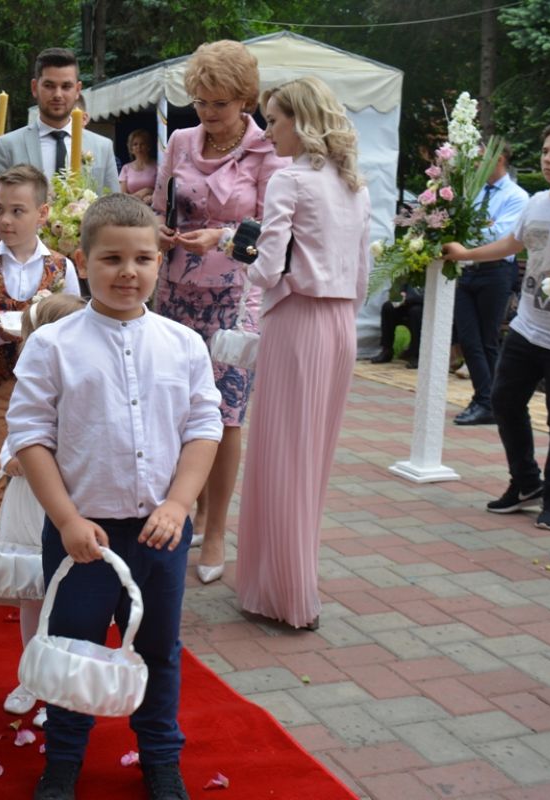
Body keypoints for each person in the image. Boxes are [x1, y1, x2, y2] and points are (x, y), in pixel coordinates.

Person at [8, 194, 222, 800]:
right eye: (111, 259)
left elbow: (204, 427)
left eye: (142, 259)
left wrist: (179, 504)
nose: (128, 272)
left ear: (159, 262)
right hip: (84, 536)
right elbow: (30, 435)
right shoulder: (54, 345)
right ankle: (63, 762)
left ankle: (160, 757)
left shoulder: (184, 344)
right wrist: (66, 518)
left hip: (161, 531)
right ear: (82, 261)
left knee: (158, 648)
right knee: (74, 650)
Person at [234, 76, 372, 632]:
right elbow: (361, 275)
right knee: (311, 459)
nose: (267, 132)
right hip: (341, 327)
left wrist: (238, 252)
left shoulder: (289, 180)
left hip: (298, 324)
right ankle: (292, 584)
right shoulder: (355, 185)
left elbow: (267, 269)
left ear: (302, 120)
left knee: (283, 455)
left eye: (274, 120)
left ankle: (285, 595)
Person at [151, 40, 288, 584]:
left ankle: (214, 532)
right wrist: (158, 232)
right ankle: (184, 511)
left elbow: (274, 232)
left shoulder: (267, 151)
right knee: (176, 404)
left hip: (236, 300)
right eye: (201, 101)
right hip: (175, 294)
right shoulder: (180, 141)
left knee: (226, 415)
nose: (208, 112)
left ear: (246, 99)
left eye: (220, 103)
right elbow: (158, 206)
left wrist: (223, 236)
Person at [444, 120, 550, 530]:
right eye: (545, 151)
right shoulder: (535, 202)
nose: (548, 159)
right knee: (504, 402)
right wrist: (465, 254)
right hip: (528, 327)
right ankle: (527, 482)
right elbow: (513, 243)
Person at [0, 164, 80, 534]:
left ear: (42, 214)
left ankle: (38, 546)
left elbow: (75, 325)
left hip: (46, 390)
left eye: (17, 211)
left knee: (47, 474)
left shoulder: (61, 267)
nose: (5, 220)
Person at [0, 291, 85, 729]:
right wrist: (10, 460)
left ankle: (60, 684)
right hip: (31, 509)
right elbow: (14, 435)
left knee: (68, 598)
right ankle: (30, 675)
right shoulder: (29, 386)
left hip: (72, 504)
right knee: (34, 595)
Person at [0, 47, 120, 242]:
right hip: (25, 257)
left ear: (78, 90)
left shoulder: (102, 147)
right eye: (49, 85)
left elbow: (115, 216)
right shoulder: (8, 146)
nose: (57, 94)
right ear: (35, 87)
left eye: (66, 86)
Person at [452, 143, 530, 426]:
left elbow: (498, 235)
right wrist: (478, 227)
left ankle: (489, 402)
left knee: (486, 339)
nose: (476, 164)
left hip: (495, 272)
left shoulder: (517, 196)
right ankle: (486, 399)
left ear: (499, 159)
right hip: (467, 270)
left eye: (480, 158)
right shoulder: (473, 192)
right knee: (468, 338)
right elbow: (461, 226)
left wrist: (472, 231)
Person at [370, 282, 423, 368]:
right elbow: (404, 283)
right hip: (407, 302)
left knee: (415, 312)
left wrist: (408, 298)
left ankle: (416, 354)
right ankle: (387, 350)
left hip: (423, 305)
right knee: (388, 307)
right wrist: (401, 293)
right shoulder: (414, 273)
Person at [119, 129, 156, 204]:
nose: (139, 147)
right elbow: (122, 196)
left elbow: (163, 191)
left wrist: (153, 196)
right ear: (131, 148)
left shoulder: (158, 167)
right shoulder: (126, 168)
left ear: (148, 147)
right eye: (135, 144)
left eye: (142, 144)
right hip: (131, 208)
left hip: (152, 207)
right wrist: (145, 191)